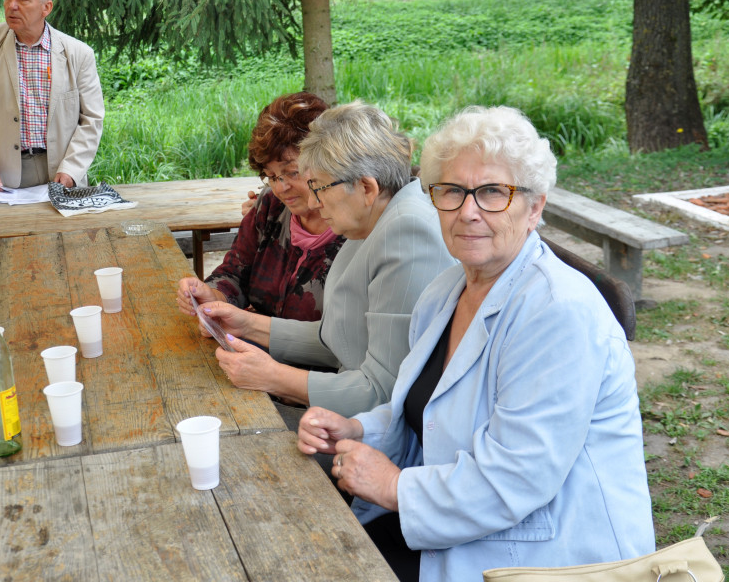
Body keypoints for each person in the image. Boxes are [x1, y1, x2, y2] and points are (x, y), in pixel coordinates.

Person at [297, 106, 654, 579]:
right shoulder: (445, 291)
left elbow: (515, 478)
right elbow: (423, 410)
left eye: (492, 192)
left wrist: (396, 486)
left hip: (546, 556)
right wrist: (359, 430)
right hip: (459, 523)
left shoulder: (558, 311)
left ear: (535, 207)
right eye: (451, 191)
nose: (468, 211)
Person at [199, 101, 456, 425]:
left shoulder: (406, 233)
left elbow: (383, 391)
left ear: (366, 187)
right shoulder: (373, 220)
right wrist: (246, 324)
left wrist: (273, 376)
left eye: (319, 187)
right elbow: (340, 338)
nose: (314, 201)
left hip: (377, 439)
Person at [176, 92, 344, 322]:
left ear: (324, 160)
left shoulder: (353, 226)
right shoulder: (270, 205)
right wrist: (212, 295)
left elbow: (342, 338)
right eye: (271, 176)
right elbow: (234, 272)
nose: (281, 187)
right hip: (253, 351)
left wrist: (249, 327)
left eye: (292, 172)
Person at [0, 0, 105, 192]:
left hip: (61, 172)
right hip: (5, 176)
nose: (11, 6)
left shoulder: (79, 53)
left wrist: (72, 169)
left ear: (46, 8)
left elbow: (92, 119)